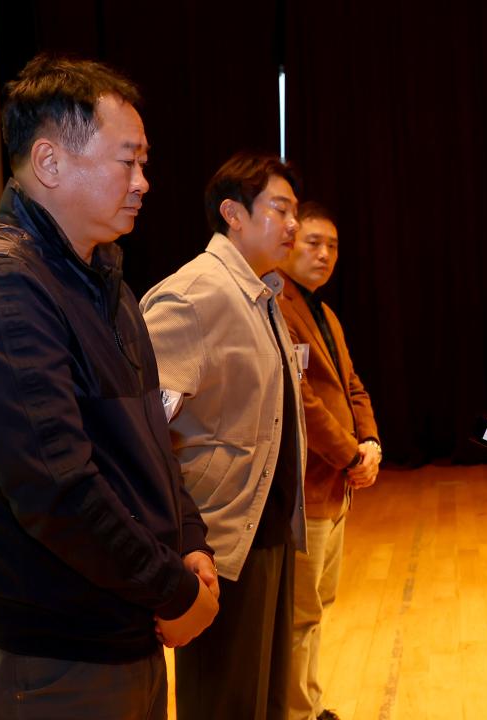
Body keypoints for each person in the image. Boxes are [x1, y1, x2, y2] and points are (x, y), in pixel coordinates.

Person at [0, 54, 218, 719]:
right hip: (48, 663)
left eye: (143, 162)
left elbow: (145, 445)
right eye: (127, 161)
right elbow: (57, 491)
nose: (144, 182)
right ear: (50, 163)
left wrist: (189, 540)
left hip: (117, 639)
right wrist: (174, 591)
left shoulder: (105, 281)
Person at [140, 152, 308, 720]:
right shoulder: (193, 295)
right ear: (232, 213)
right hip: (222, 540)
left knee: (266, 698)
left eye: (295, 212)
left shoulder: (262, 294)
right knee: (225, 703)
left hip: (270, 527)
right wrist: (182, 539)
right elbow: (144, 431)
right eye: (280, 209)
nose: (293, 225)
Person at [275, 202, 381, 720]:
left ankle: (308, 705)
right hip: (308, 488)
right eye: (312, 242)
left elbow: (352, 385)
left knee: (317, 607)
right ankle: (297, 712)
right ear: (288, 241)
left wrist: (372, 443)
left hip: (336, 486)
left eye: (332, 246)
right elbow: (301, 401)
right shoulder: (277, 304)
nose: (323, 254)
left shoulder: (324, 312)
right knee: (301, 614)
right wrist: (349, 454)